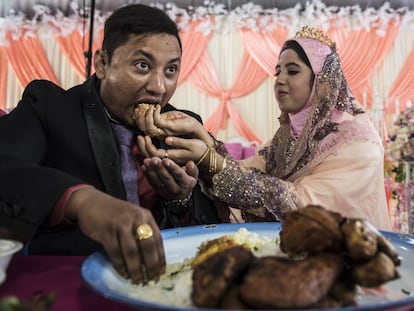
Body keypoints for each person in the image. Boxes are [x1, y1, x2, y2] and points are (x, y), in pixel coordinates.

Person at [0, 4, 224, 285]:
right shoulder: (49, 106)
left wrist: (179, 199)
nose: (159, 87)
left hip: (165, 281)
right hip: (69, 279)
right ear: (103, 63)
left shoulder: (184, 126)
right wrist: (82, 201)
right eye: (143, 65)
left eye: (171, 70)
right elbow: (6, 167)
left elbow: (207, 233)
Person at [137, 26, 392, 231]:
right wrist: (201, 136)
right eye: (277, 71)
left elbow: (299, 205)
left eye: (292, 71)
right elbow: (247, 174)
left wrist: (209, 158)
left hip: (344, 265)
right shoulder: (287, 138)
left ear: (322, 82)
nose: (280, 79)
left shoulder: (358, 145)